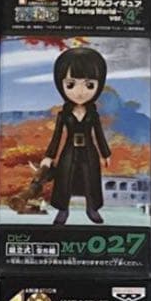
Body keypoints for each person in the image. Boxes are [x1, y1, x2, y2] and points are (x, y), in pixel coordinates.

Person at [40, 47, 112, 225]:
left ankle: (92, 209)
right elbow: (57, 136)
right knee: (64, 180)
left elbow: (99, 134)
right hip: (69, 150)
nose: (80, 92)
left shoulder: (93, 114)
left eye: (89, 85)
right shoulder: (63, 114)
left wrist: (105, 153)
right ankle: (62, 210)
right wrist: (49, 156)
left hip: (89, 151)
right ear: (61, 85)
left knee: (91, 180)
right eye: (71, 84)